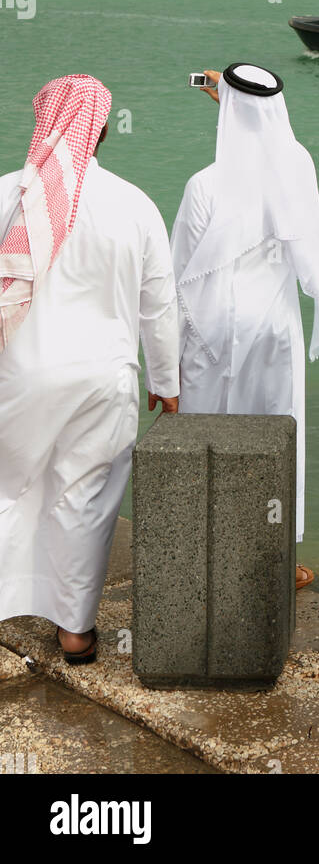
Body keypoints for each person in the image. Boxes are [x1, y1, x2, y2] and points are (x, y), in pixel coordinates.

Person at [0, 75, 179, 664]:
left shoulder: (7, 197)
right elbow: (159, 302)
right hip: (104, 380)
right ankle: (74, 631)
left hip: (19, 375)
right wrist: (167, 382)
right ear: (102, 131)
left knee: (9, 490)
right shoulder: (135, 204)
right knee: (82, 498)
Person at [170, 64, 319, 589]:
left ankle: (202, 555)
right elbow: (310, 246)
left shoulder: (204, 184)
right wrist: (233, 101)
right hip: (275, 326)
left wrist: (167, 358)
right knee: (275, 432)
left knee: (210, 437)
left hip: (215, 329)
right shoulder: (298, 168)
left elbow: (180, 275)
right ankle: (273, 562)